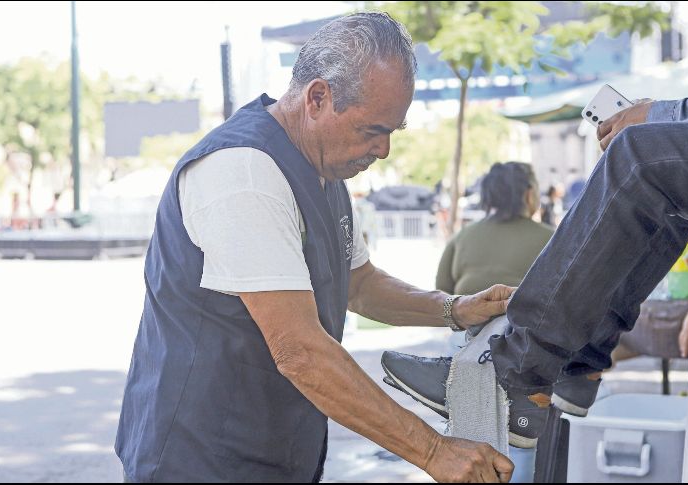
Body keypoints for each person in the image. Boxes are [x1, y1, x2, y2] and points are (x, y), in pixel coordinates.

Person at [115, 12, 514, 483]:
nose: (384, 149)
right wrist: (432, 451)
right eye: (372, 130)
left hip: (276, 449)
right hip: (200, 457)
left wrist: (454, 309)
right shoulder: (243, 173)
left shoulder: (326, 168)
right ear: (318, 98)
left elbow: (359, 284)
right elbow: (299, 351)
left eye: (393, 131)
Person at [382, 90, 688, 448]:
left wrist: (660, 112)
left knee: (638, 154)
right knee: (666, 184)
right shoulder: (538, 233)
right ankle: (578, 362)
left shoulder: (462, 237)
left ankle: (517, 373)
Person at [436, 162, 553, 302]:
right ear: (529, 194)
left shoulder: (462, 236)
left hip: (465, 322)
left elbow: (441, 295)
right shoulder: (552, 239)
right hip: (525, 322)